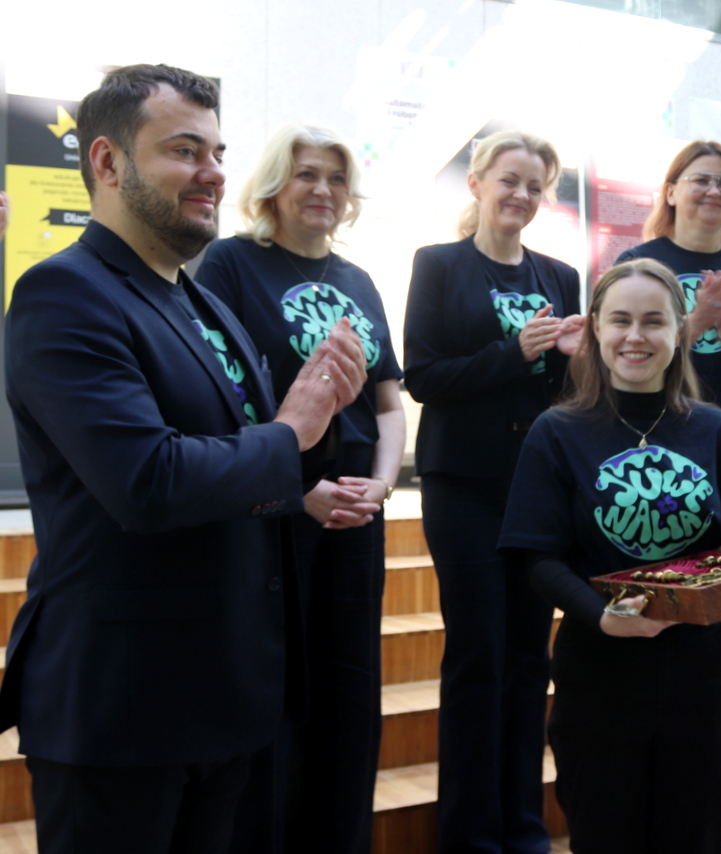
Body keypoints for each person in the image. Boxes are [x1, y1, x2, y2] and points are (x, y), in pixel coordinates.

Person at [0, 64, 367, 854]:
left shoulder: (201, 302)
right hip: (124, 708)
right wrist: (289, 433)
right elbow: (148, 481)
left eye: (218, 152)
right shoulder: (63, 294)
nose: (214, 173)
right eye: (185, 151)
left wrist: (297, 483)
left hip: (224, 694)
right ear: (107, 162)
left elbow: (230, 456)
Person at [497, 258, 721, 854]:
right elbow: (539, 557)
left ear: (679, 331)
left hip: (700, 677)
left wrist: (708, 622)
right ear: (595, 329)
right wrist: (603, 616)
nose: (634, 336)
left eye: (653, 321)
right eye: (619, 320)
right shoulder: (557, 432)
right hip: (599, 674)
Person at [198, 122, 405, 853]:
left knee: (350, 696)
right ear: (272, 185)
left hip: (358, 511)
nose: (323, 189)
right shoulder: (230, 264)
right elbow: (220, 398)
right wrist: (295, 488)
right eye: (306, 173)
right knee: (277, 694)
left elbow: (387, 405)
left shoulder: (359, 281)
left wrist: (382, 487)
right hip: (276, 506)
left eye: (336, 177)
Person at [403, 131, 583, 854]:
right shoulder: (438, 265)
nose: (522, 196)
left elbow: (567, 393)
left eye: (535, 187)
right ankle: (471, 835)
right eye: (510, 180)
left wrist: (574, 361)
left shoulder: (560, 275)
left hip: (535, 489)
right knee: (479, 657)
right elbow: (424, 377)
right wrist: (517, 352)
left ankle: (524, 827)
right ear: (476, 183)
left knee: (531, 659)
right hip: (463, 486)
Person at [614, 141, 721, 748]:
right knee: (655, 612)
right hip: (652, 464)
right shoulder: (639, 264)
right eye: (700, 180)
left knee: (718, 619)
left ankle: (704, 762)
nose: (714, 191)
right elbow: (624, 362)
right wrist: (695, 320)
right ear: (671, 191)